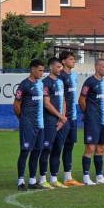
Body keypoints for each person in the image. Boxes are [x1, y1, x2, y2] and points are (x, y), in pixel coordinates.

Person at [78, 59, 104, 185]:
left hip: (103, 120)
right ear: (97, 67)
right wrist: (87, 114)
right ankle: (86, 177)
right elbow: (81, 100)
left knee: (100, 148)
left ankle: (99, 176)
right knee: (90, 147)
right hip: (92, 120)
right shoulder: (90, 82)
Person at [13, 59, 45, 191]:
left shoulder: (40, 84)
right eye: (40, 70)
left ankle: (32, 181)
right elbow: (16, 105)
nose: (42, 73)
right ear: (32, 69)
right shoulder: (24, 85)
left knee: (37, 152)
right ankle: (20, 181)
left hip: (40, 124)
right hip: (28, 124)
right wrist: (23, 118)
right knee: (25, 152)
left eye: (43, 70)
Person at [39, 57, 68, 189]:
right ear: (51, 67)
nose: (60, 69)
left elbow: (63, 100)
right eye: (58, 67)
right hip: (49, 121)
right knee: (47, 149)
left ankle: (54, 179)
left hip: (60, 122)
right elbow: (46, 104)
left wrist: (63, 118)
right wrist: (59, 116)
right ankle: (42, 179)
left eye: (61, 67)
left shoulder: (61, 82)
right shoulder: (45, 83)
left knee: (57, 150)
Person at [58, 51, 84, 187]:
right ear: (63, 61)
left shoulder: (73, 75)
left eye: (74, 59)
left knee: (69, 146)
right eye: (71, 59)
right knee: (57, 147)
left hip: (73, 116)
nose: (74, 61)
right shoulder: (60, 76)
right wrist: (62, 116)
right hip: (64, 117)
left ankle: (68, 177)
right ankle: (52, 177)